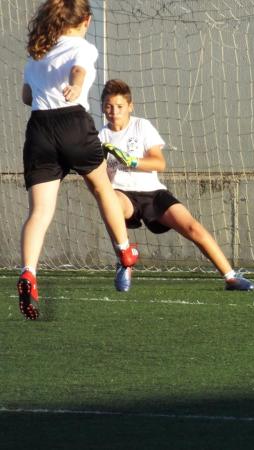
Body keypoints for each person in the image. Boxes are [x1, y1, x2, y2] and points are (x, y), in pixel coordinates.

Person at [19, 0, 139, 320]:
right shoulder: (82, 47)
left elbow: (27, 97)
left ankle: (29, 272)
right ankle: (124, 251)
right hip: (72, 123)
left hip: (39, 129)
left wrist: (46, 85)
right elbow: (79, 69)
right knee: (102, 190)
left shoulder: (37, 54)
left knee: (40, 211)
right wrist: (74, 84)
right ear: (85, 21)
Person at [99, 79, 254, 292]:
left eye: (119, 106)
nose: (114, 111)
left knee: (193, 227)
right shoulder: (100, 137)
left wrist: (132, 161)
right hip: (123, 194)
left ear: (130, 106)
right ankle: (124, 262)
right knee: (111, 200)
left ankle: (230, 277)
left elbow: (159, 162)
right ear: (102, 107)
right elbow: (99, 178)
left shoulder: (141, 126)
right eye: (108, 106)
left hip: (153, 193)